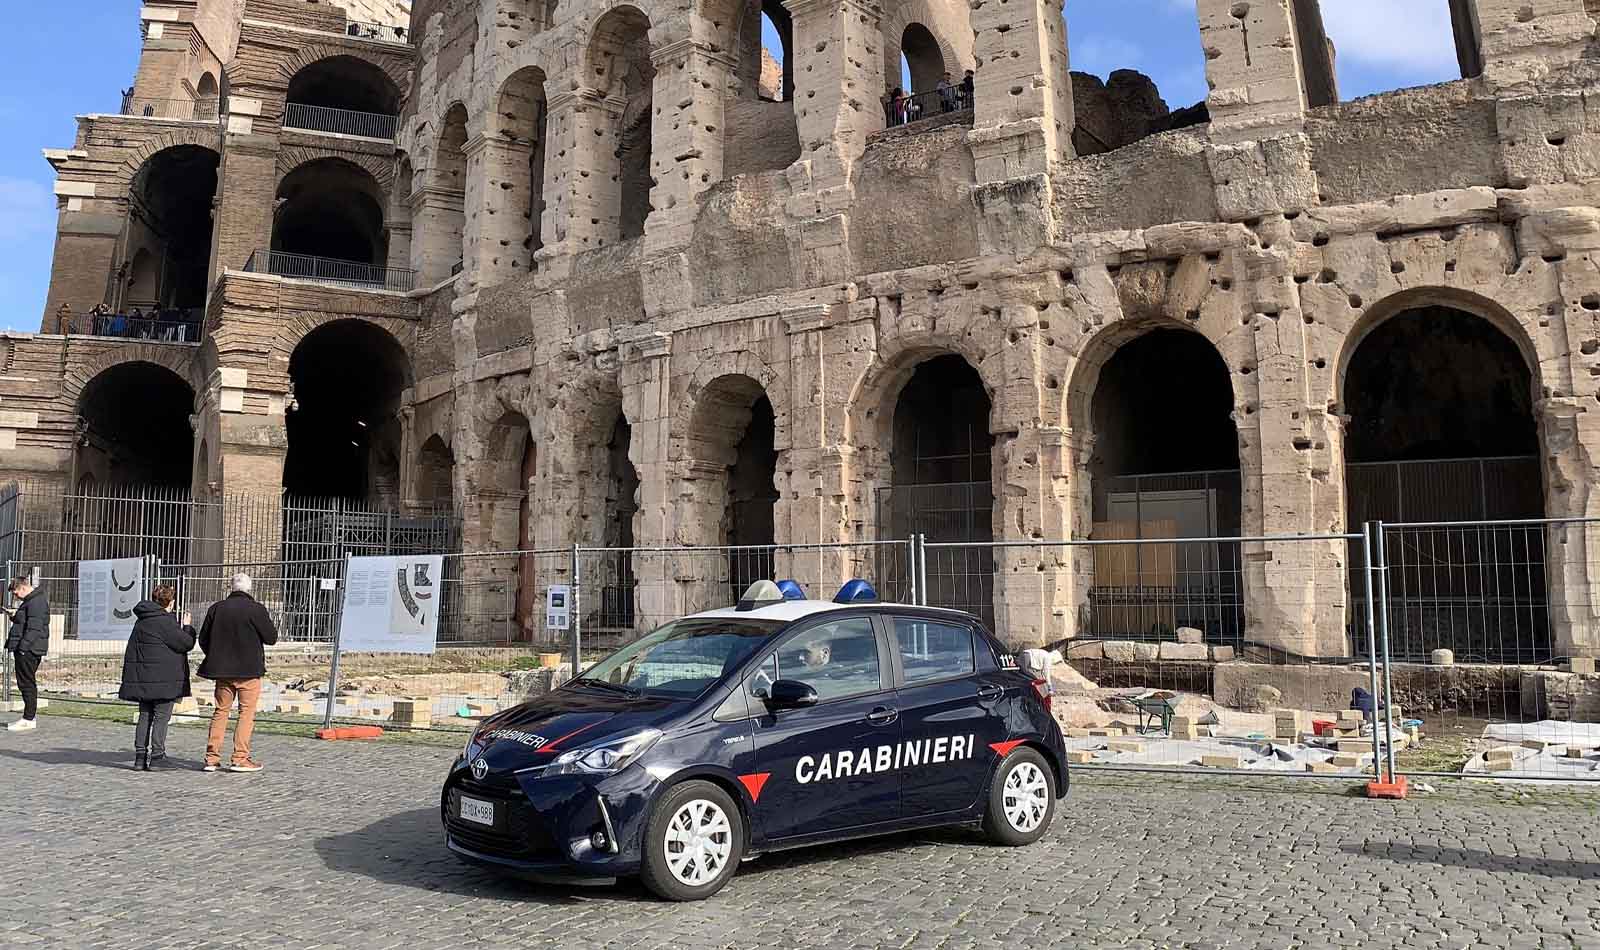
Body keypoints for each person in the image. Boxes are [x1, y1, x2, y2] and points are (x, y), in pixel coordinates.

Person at [197, 573, 278, 772]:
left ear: (231, 588)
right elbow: (271, 638)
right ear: (249, 589)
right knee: (246, 713)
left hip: (222, 671)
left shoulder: (216, 608)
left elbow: (203, 639)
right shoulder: (256, 609)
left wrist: (216, 656)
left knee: (220, 712)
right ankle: (240, 758)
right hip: (248, 671)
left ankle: (211, 758)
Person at [118, 585, 196, 771]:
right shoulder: (164, 621)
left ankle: (140, 757)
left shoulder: (142, 619)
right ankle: (157, 757)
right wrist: (187, 627)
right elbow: (185, 643)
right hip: (163, 679)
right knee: (161, 717)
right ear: (170, 602)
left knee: (145, 716)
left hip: (144, 678)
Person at [3, 576, 49, 732]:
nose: (15, 596)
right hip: (27, 648)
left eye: (16, 593)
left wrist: (23, 648)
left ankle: (29, 718)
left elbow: (34, 628)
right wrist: (14, 616)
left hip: (29, 650)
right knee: (26, 683)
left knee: (27, 683)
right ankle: (29, 717)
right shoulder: (31, 601)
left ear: (23, 587)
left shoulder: (36, 602)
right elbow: (26, 622)